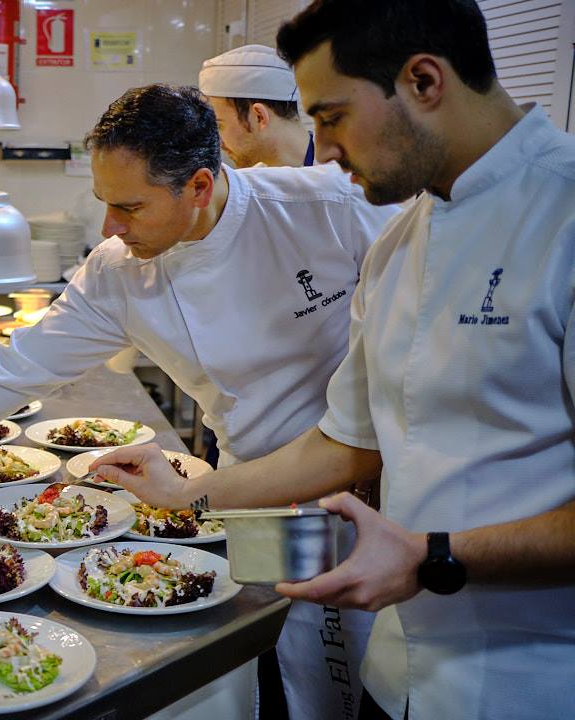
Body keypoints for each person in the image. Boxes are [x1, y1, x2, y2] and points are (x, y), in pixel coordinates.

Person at [92, 2, 575, 718]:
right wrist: (186, 496)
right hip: (400, 672)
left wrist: (431, 554)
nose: (320, 147)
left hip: (531, 683)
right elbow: (345, 441)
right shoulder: (398, 244)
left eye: (332, 116)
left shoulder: (562, 216)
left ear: (423, 81)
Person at [0, 84, 395, 489]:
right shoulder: (117, 270)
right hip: (244, 477)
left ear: (199, 186)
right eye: (104, 206)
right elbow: (5, 372)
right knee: (272, 653)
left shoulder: (331, 208)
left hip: (366, 473)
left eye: (130, 208)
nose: (111, 229)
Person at [201, 42, 374, 720]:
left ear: (252, 116)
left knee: (327, 641)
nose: (216, 146)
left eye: (217, 125)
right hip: (255, 456)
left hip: (340, 456)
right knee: (261, 628)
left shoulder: (347, 193)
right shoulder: (232, 205)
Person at [200, 45, 314, 169]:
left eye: (219, 125)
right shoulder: (247, 182)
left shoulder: (334, 174)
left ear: (259, 117)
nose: (219, 143)